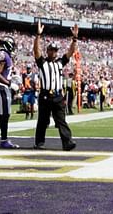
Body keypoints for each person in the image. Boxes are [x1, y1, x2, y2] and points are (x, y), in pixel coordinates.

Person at [33, 20, 78, 151]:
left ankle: (67, 142)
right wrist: (38, 35)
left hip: (58, 95)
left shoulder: (59, 63)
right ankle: (39, 142)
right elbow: (36, 51)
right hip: (45, 95)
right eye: (51, 50)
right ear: (47, 51)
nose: (54, 52)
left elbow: (70, 52)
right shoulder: (42, 62)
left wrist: (74, 38)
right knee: (42, 121)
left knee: (61, 120)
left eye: (55, 50)